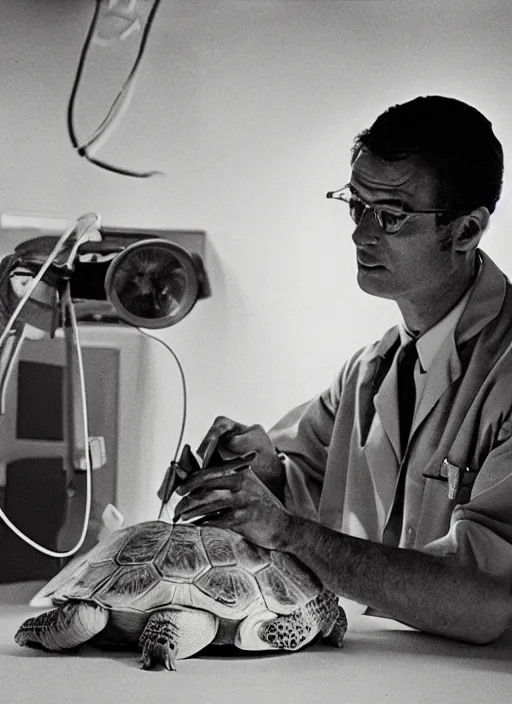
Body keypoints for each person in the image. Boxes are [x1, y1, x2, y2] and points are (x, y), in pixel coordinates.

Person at [173, 95, 512, 645]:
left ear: (467, 230)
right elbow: (299, 478)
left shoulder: (506, 377)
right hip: (374, 671)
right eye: (356, 205)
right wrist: (262, 472)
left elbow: (485, 601)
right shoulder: (368, 372)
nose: (361, 235)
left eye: (391, 216)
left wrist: (287, 532)